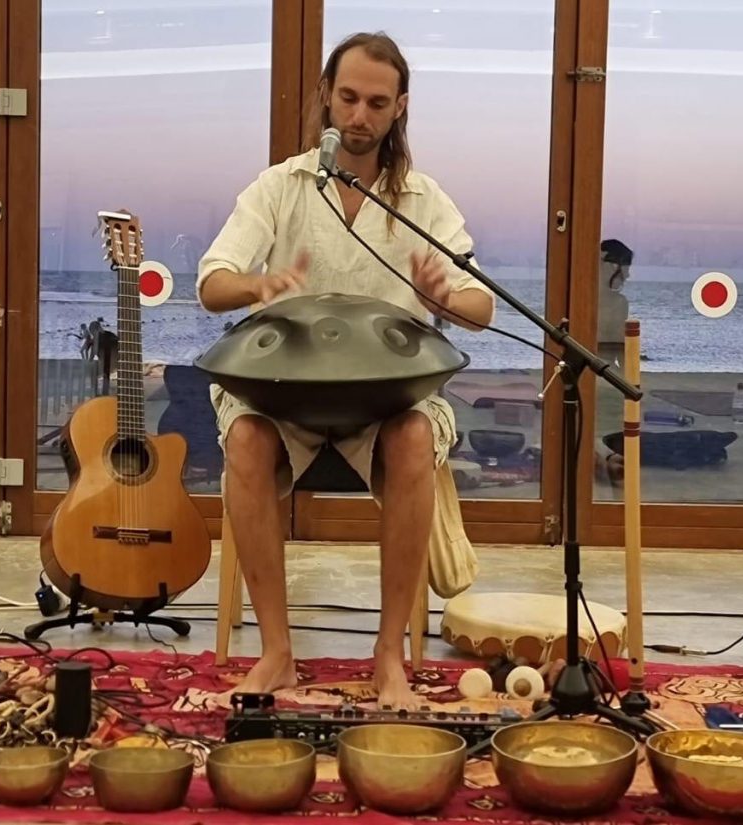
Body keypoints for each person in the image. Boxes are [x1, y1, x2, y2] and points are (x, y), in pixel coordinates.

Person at [196, 32, 494, 709]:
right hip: (284, 395)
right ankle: (276, 652)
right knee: (244, 436)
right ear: (327, 95)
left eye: (377, 103)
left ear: (400, 108)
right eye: (349, 98)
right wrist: (257, 285)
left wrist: (444, 297)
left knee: (414, 437)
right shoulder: (281, 186)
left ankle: (388, 655)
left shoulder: (420, 199)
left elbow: (479, 305)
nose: (359, 116)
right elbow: (212, 283)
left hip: (386, 400)